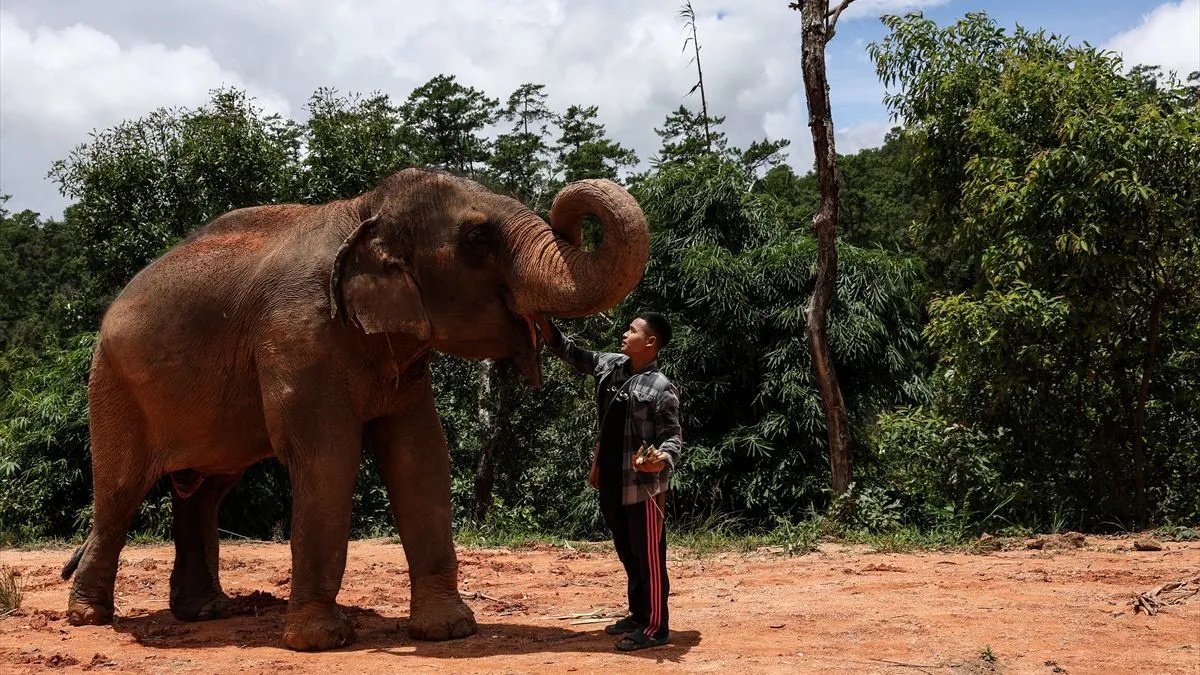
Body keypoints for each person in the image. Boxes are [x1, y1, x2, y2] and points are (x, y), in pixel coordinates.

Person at [538, 311, 683, 651]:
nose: (625, 332)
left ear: (650, 343)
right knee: (627, 552)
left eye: (632, 330)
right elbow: (572, 352)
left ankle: (655, 627)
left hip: (643, 487)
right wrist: (544, 324)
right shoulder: (611, 366)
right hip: (612, 481)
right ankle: (637, 614)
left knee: (648, 557)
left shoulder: (661, 387)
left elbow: (673, 438)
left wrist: (661, 458)